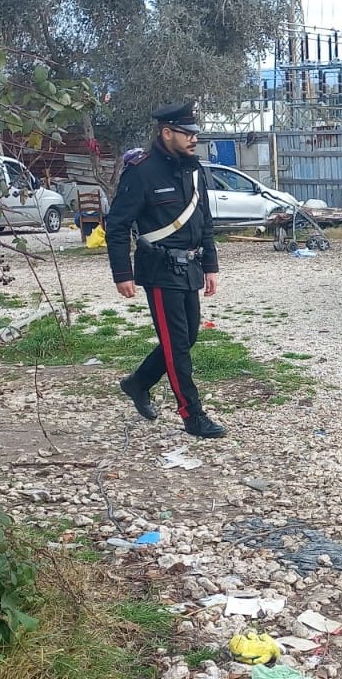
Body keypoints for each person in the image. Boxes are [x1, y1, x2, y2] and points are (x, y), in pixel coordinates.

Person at [105, 101, 226, 438]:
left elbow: (203, 220)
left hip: (190, 267)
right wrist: (122, 273)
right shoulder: (141, 171)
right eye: (187, 133)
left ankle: (138, 382)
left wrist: (211, 265)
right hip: (158, 269)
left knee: (186, 337)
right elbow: (116, 225)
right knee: (175, 345)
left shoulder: (193, 169)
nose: (193, 140)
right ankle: (192, 415)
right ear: (167, 132)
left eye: (195, 134)